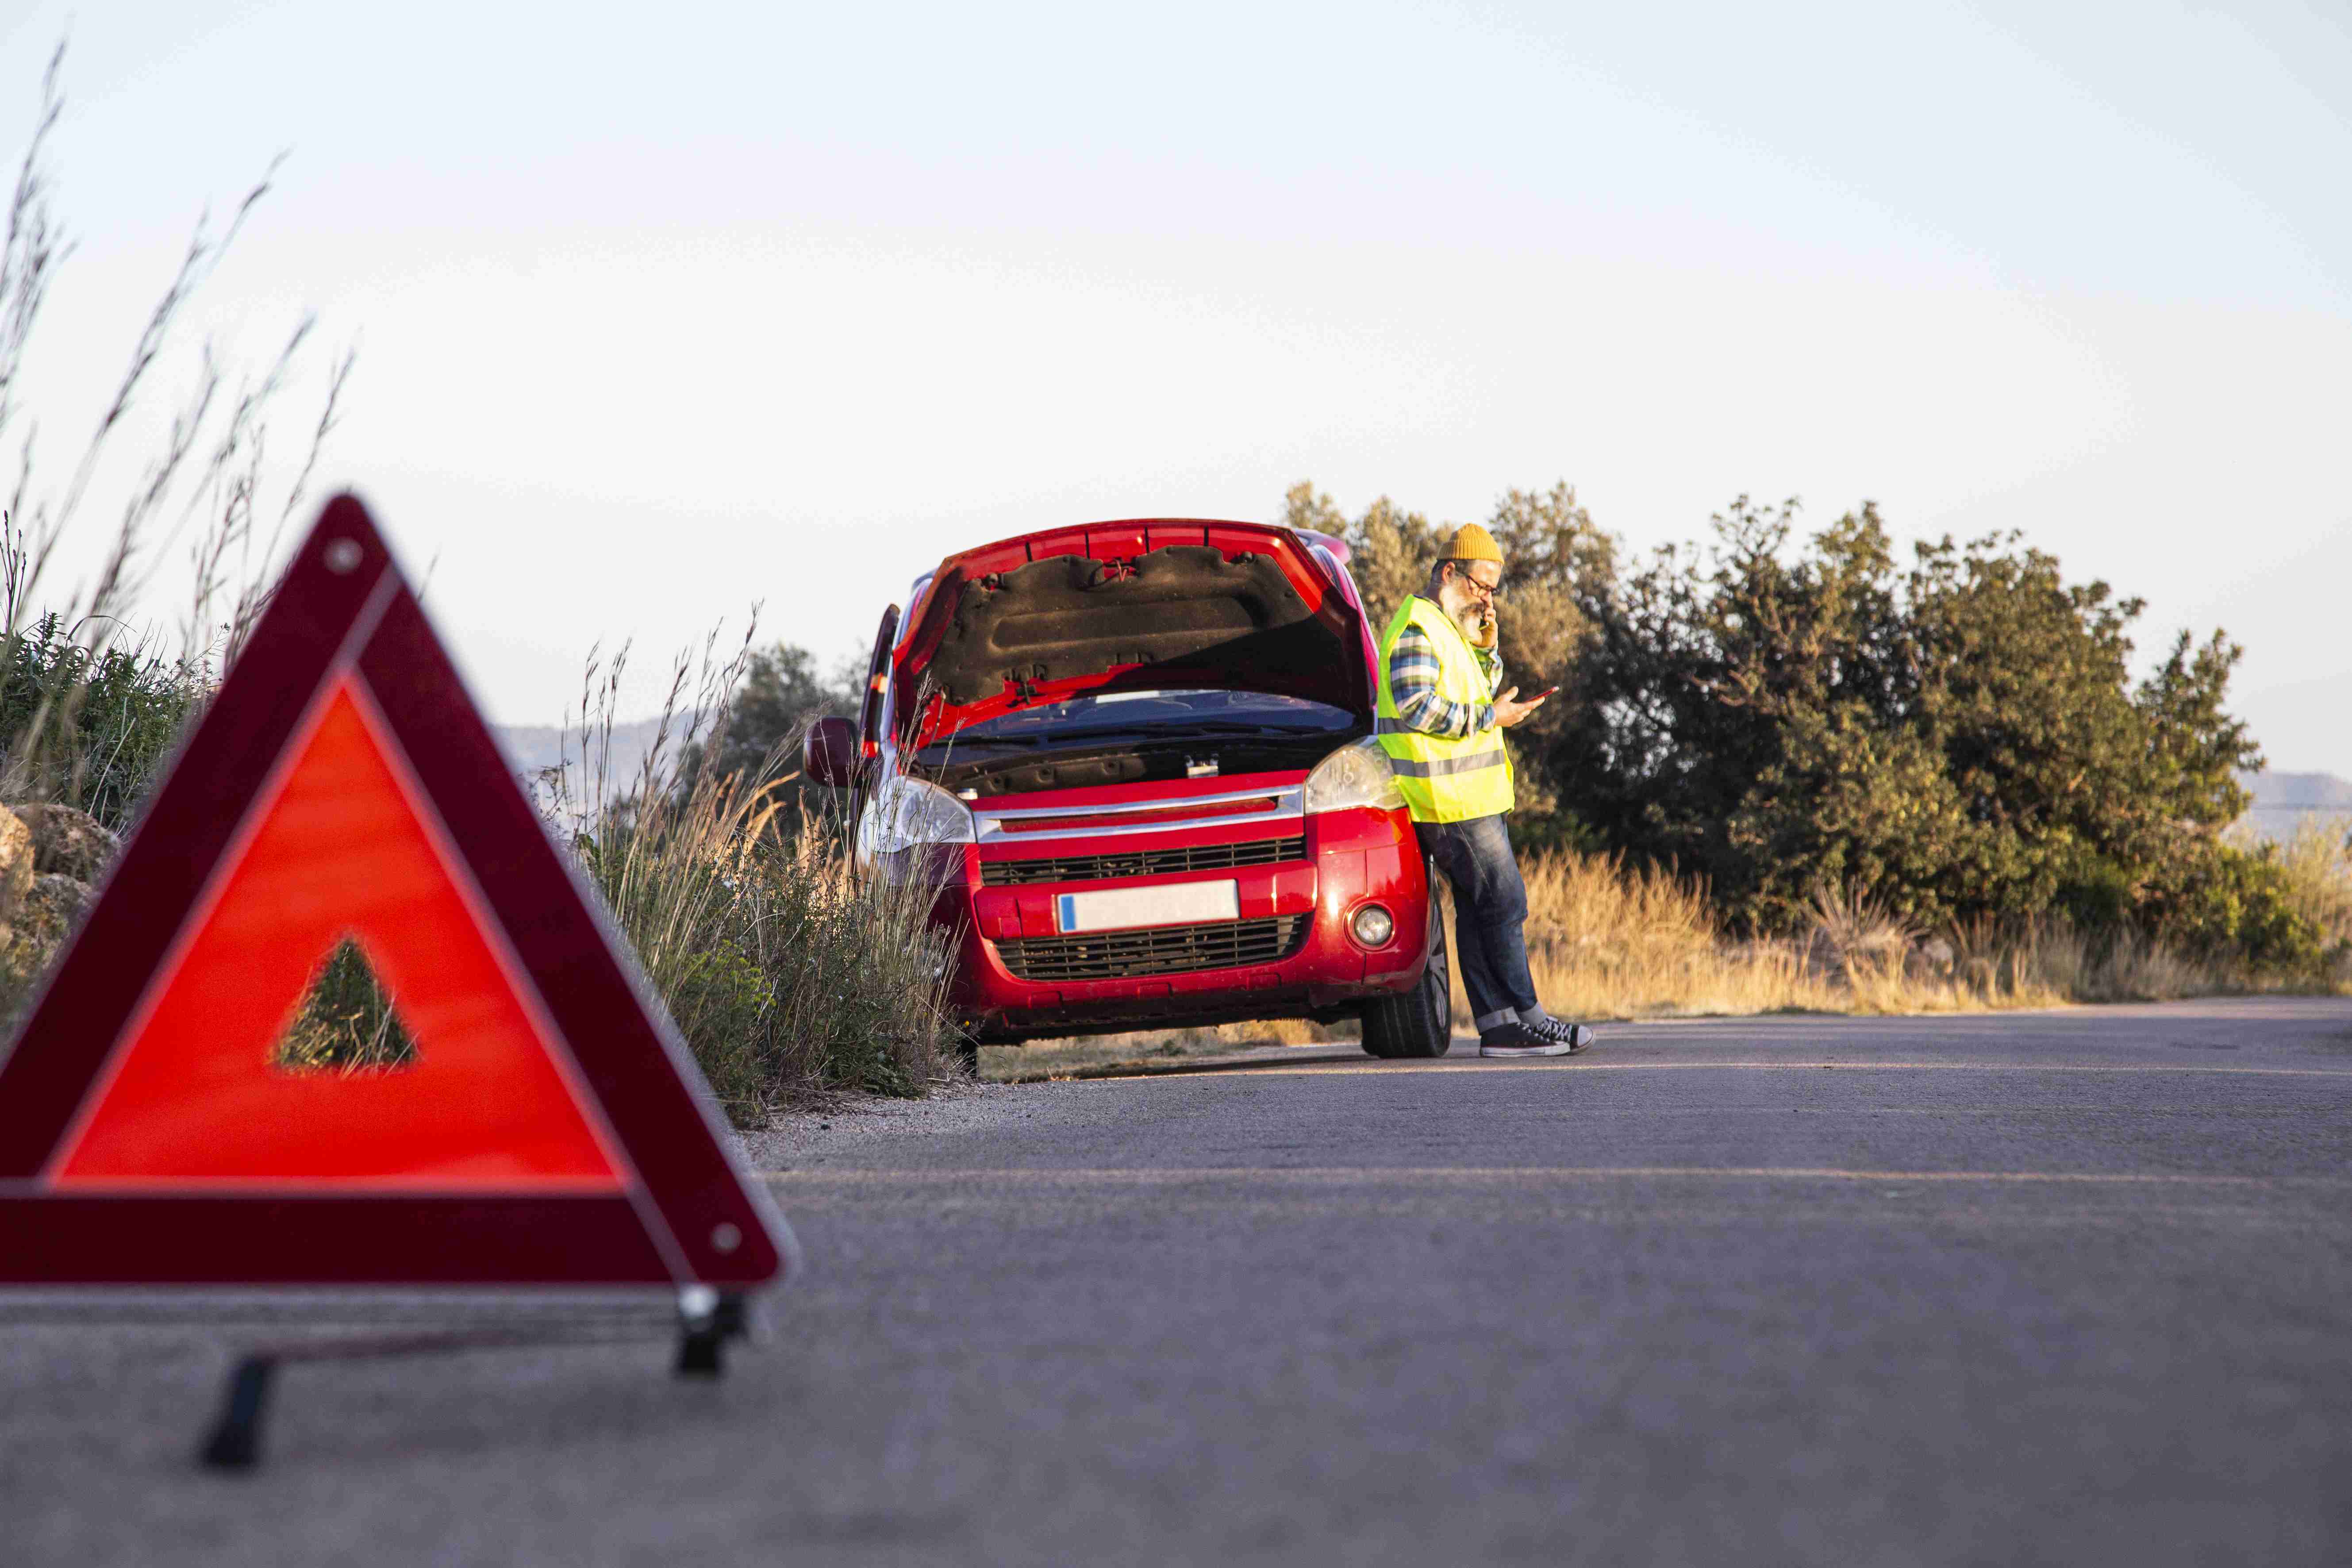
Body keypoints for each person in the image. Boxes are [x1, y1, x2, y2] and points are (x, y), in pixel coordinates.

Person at [1374, 523, 1595, 1058]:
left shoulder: (1446, 627)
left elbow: (1473, 687)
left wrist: (1486, 646)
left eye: (1494, 590)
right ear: (1450, 572)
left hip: (1467, 799)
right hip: (1449, 803)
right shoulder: (1417, 630)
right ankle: (1530, 1018)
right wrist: (1490, 716)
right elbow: (1419, 707)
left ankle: (1499, 1027)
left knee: (1479, 909)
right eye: (1481, 585)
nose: (1487, 597)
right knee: (1505, 902)